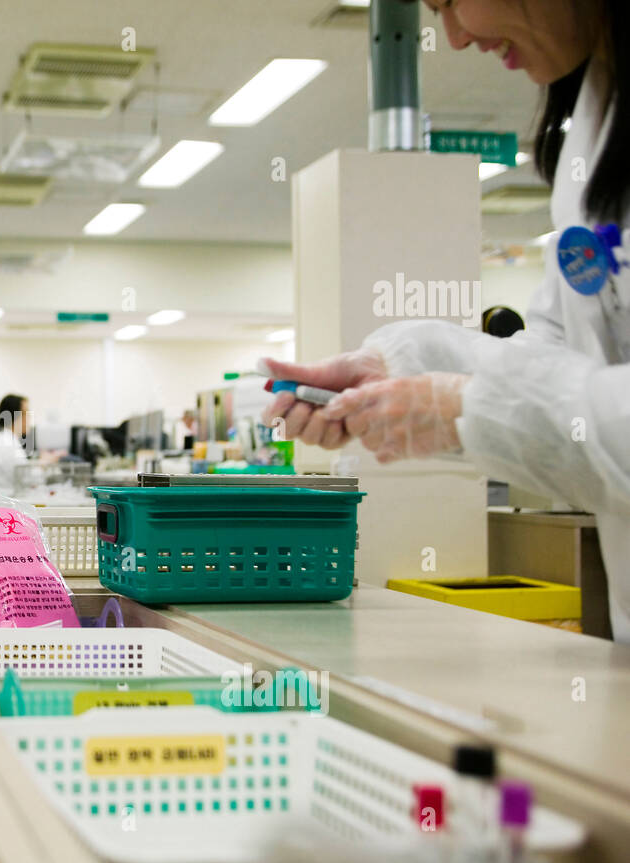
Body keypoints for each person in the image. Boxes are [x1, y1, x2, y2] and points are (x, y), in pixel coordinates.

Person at [262, 0, 630, 641]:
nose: (454, 38)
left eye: (449, 2)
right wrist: (399, 374)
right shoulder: (595, 119)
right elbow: (555, 353)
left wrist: (466, 406)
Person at [0, 394, 32, 496]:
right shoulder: (7, 443)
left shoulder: (6, 438)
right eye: (26, 413)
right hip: (0, 504)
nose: (29, 418)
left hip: (0, 501)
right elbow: (26, 478)